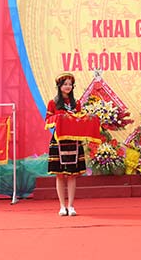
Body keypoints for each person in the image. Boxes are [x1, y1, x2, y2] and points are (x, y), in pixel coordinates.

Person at [46, 72, 86, 216]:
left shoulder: (77, 103)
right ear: (59, 86)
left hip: (73, 140)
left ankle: (71, 205)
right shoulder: (53, 103)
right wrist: (60, 118)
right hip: (59, 140)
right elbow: (48, 120)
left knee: (72, 175)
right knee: (59, 175)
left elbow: (81, 119)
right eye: (65, 84)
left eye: (70, 84)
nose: (68, 87)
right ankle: (62, 206)